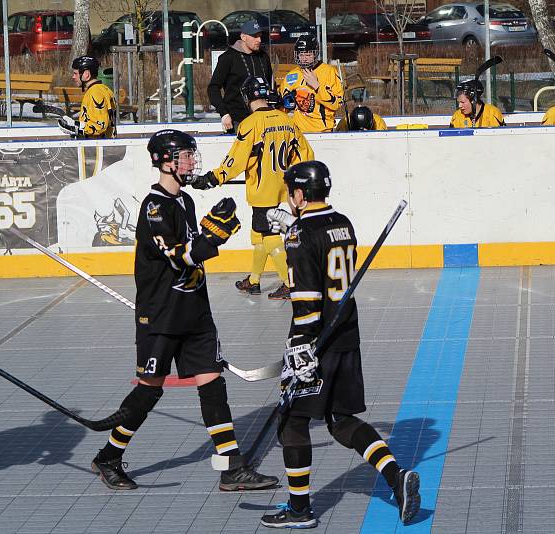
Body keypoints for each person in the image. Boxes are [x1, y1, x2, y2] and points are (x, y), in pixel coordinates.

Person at [90, 129, 278, 493]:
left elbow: (193, 251)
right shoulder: (154, 207)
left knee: (212, 382)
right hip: (161, 316)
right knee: (149, 389)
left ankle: (231, 466)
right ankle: (109, 456)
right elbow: (180, 257)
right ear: (165, 161)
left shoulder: (186, 202)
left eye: (192, 155)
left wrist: (208, 235)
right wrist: (213, 238)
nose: (192, 161)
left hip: (195, 312)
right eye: (186, 156)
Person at [259, 161, 421, 529]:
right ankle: (397, 479)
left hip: (316, 339)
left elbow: (308, 298)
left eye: (290, 193)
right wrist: (294, 231)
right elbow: (322, 249)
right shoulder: (342, 222)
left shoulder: (300, 233)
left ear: (299, 194)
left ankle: (299, 510)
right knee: (340, 419)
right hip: (347, 331)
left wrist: (301, 347)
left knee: (292, 420)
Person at [192, 76, 314, 300]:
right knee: (258, 234)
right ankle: (254, 280)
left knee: (268, 235)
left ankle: (289, 283)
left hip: (261, 190)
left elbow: (235, 161)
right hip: (282, 187)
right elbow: (304, 154)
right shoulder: (286, 120)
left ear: (247, 97)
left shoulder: (250, 124)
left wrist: (212, 178)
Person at [207, 19, 273, 133]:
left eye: (260, 36)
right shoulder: (228, 58)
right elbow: (213, 88)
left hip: (264, 117)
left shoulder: (263, 57)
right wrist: (224, 113)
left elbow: (270, 84)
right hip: (237, 119)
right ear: (243, 37)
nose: (259, 40)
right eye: (255, 36)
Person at [279, 34, 344, 133]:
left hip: (322, 131)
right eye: (301, 55)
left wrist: (317, 87)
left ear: (315, 53)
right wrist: (279, 102)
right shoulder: (291, 76)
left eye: (308, 55)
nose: (304, 58)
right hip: (298, 131)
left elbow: (337, 104)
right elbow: (283, 109)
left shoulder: (329, 72)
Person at [58, 55, 116, 138]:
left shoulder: (95, 92)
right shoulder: (103, 89)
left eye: (75, 73)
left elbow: (99, 126)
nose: (73, 77)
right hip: (101, 145)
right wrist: (74, 123)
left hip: (98, 147)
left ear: (86, 74)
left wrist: (74, 128)